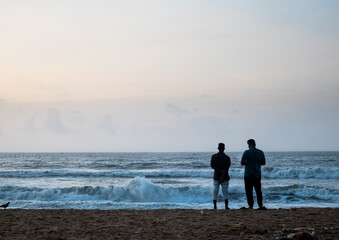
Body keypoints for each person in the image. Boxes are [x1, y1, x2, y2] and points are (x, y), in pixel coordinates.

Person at [241, 139, 266, 210]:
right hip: (257, 174)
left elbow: (242, 163)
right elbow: (263, 163)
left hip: (248, 174)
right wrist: (257, 163)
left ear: (249, 145)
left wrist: (247, 162)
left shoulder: (246, 152)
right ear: (255, 144)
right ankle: (260, 205)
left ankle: (251, 206)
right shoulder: (260, 152)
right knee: (258, 190)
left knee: (249, 191)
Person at [210, 143, 231, 210]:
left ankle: (215, 206)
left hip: (216, 176)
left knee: (215, 191)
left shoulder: (214, 156)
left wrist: (219, 171)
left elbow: (212, 166)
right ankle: (226, 206)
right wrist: (223, 172)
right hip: (225, 176)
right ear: (224, 148)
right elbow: (227, 167)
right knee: (225, 192)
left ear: (218, 148)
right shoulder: (227, 157)